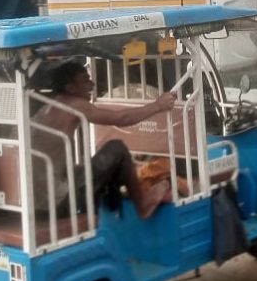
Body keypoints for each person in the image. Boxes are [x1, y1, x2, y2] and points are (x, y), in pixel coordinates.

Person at [34, 60, 177, 219]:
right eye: (85, 80)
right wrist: (158, 105)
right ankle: (142, 204)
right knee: (117, 148)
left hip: (39, 201)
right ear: (71, 88)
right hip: (57, 201)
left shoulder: (50, 106)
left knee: (97, 164)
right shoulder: (75, 104)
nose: (92, 84)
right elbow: (122, 118)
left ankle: (119, 200)